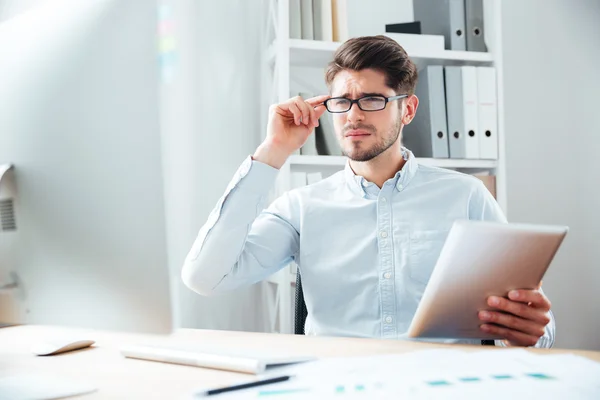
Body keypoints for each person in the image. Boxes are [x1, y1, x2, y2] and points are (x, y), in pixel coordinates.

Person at [181, 35, 554, 347]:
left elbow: (535, 325)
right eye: (341, 102)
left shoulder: (466, 196)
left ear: (407, 109)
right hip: (335, 386)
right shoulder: (300, 208)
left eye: (373, 100)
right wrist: (272, 152)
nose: (353, 116)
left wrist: (530, 331)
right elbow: (205, 277)